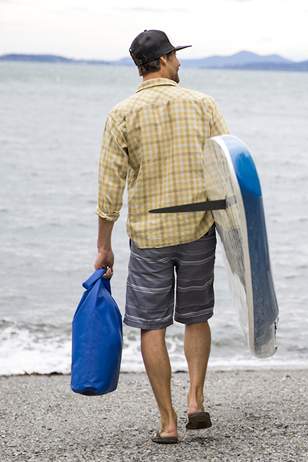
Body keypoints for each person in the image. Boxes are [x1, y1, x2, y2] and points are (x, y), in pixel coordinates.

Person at [94, 30, 228, 444]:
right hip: (198, 229)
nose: (181, 64)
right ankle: (195, 399)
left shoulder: (122, 113)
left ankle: (168, 422)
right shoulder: (203, 104)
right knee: (196, 315)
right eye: (177, 57)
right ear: (165, 59)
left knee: (151, 326)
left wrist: (104, 243)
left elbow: (109, 185)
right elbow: (228, 165)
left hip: (149, 233)